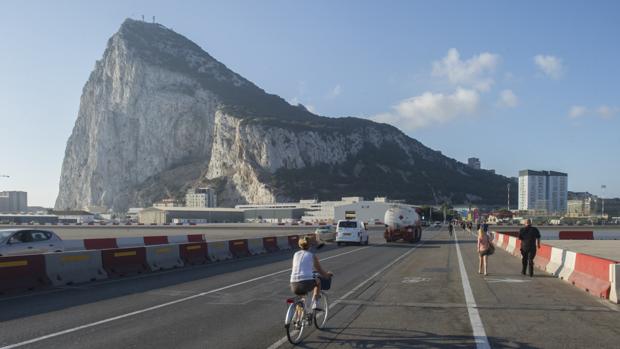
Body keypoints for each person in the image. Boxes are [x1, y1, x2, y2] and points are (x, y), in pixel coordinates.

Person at [290, 236, 333, 310]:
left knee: (301, 298)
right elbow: (320, 270)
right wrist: (327, 275)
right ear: (309, 245)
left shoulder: (295, 254)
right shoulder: (311, 255)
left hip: (293, 283)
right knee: (318, 282)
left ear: (300, 245)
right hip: (306, 282)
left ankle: (298, 318)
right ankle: (315, 303)